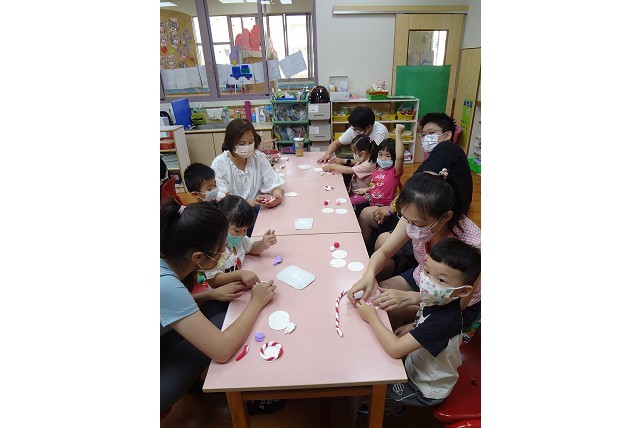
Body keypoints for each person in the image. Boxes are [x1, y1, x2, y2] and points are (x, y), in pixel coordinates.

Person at [160, 200, 277, 416]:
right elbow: (222, 350)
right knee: (222, 326)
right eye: (221, 250)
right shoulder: (165, 283)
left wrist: (210, 294)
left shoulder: (169, 260)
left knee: (218, 310)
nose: (225, 253)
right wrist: (256, 302)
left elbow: (170, 307)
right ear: (197, 257)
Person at [355, 238, 481, 416]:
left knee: (377, 380)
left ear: (463, 291)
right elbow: (426, 321)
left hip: (425, 388)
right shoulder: (441, 300)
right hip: (417, 363)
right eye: (427, 271)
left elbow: (395, 349)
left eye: (441, 280)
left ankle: (391, 407)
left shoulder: (443, 321)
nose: (428, 281)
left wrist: (372, 317)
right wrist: (413, 328)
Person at [348, 170, 481, 337]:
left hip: (451, 302)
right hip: (423, 278)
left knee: (389, 312)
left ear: (446, 217)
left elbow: (459, 303)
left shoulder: (473, 246)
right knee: (375, 298)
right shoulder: (414, 216)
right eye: (405, 219)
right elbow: (384, 251)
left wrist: (415, 299)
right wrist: (369, 274)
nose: (410, 227)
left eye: (417, 224)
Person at [202, 195, 277, 286]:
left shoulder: (239, 238)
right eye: (236, 231)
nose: (242, 234)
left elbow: (252, 248)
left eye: (245, 230)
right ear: (220, 225)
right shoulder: (214, 251)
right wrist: (239, 274)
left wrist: (264, 243)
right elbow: (213, 281)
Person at [211, 118, 285, 209]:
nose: (247, 147)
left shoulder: (258, 157)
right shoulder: (219, 164)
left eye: (251, 142)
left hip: (257, 209)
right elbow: (223, 203)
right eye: (242, 144)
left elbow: (275, 184)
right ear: (230, 143)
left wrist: (277, 197)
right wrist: (250, 203)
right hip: (233, 214)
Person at [352, 125, 404, 226]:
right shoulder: (377, 169)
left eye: (388, 156)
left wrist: (398, 133)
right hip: (372, 204)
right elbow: (376, 186)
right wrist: (366, 190)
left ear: (394, 158)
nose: (383, 158)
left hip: (385, 210)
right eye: (380, 154)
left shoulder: (394, 171)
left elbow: (400, 157)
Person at [321, 134, 376, 213]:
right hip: (355, 191)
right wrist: (343, 161)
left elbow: (348, 170)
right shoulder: (364, 159)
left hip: (364, 196)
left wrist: (332, 166)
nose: (353, 154)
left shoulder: (369, 165)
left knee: (345, 205)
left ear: (362, 153)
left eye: (354, 152)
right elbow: (355, 162)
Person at [317, 106, 390, 163]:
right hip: (358, 163)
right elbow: (336, 143)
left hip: (374, 166)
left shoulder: (380, 132)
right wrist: (326, 155)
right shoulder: (356, 128)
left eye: (357, 129)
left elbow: (370, 160)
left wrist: (346, 162)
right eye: (353, 128)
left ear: (369, 127)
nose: (354, 131)